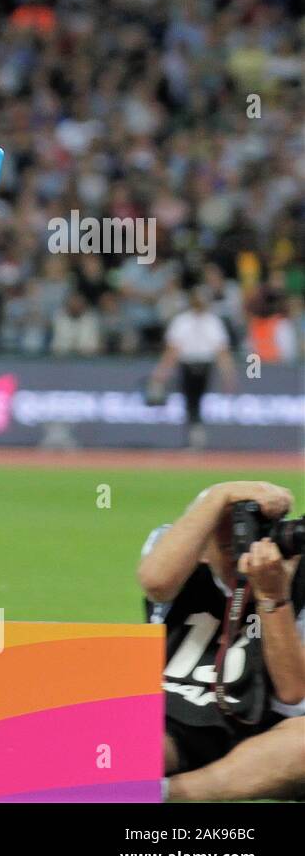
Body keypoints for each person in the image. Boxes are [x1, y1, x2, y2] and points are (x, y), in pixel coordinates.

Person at [138, 481, 305, 801]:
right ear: (202, 548)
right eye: (227, 548)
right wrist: (219, 495)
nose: (240, 559)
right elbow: (156, 583)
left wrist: (273, 597)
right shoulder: (179, 549)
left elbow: (293, 689)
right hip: (178, 714)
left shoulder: (296, 576)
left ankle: (168, 793)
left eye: (250, 541)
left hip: (265, 728)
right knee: (117, 746)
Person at [147, 285, 237, 449]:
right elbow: (173, 350)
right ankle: (193, 435)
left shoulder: (213, 322)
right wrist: (161, 372)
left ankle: (197, 434)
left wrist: (228, 374)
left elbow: (221, 350)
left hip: (204, 365)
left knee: (199, 401)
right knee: (189, 402)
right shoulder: (182, 321)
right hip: (187, 364)